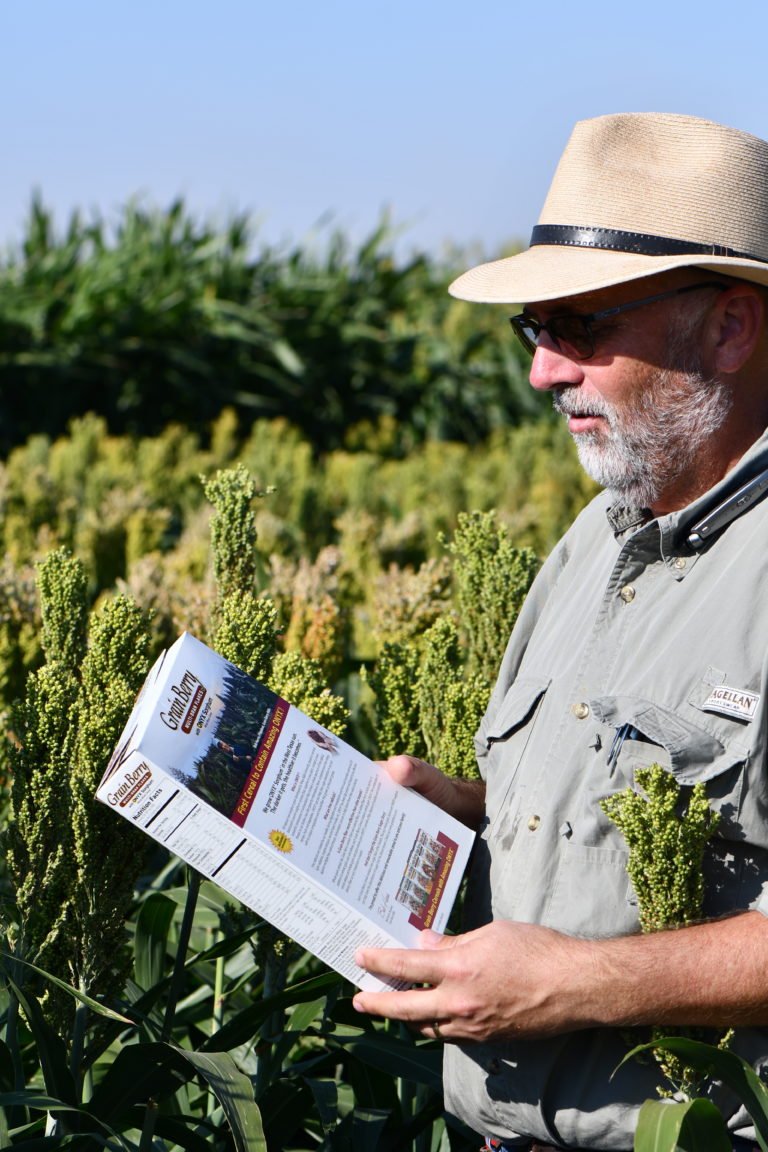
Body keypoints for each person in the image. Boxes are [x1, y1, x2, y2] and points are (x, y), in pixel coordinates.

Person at [351, 112, 768, 1151]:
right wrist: (464, 813)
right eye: (533, 330)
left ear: (729, 328)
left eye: (579, 328)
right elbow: (628, 823)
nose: (544, 371)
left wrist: (579, 983)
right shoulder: (597, 538)